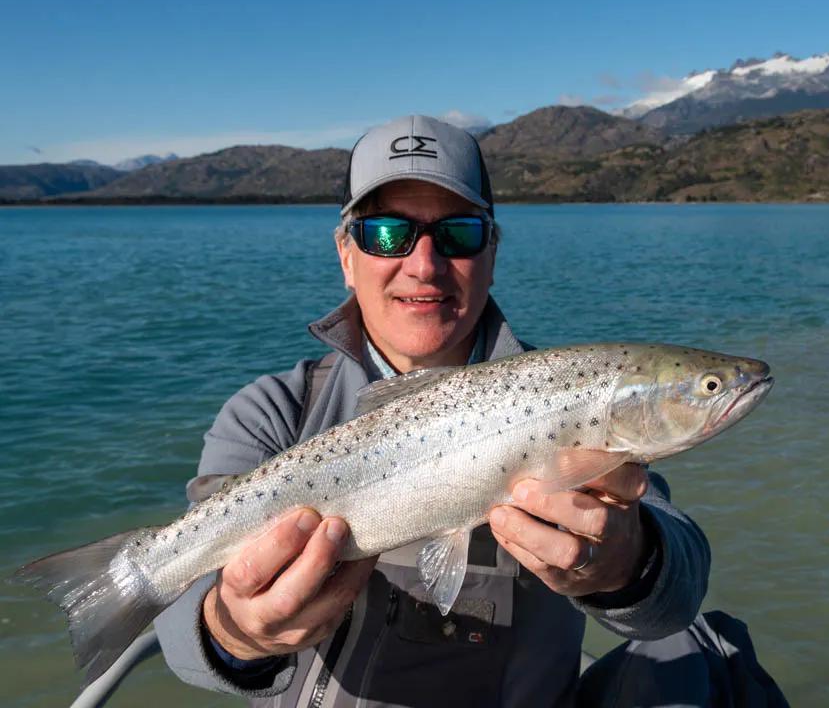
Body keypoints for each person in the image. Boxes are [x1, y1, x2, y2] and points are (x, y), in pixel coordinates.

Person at [155, 116, 785, 708]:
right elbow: (181, 636)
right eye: (386, 233)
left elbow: (675, 592)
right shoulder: (273, 414)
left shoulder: (571, 394)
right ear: (346, 255)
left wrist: (627, 559)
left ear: (493, 248)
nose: (423, 265)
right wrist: (235, 631)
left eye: (458, 232)